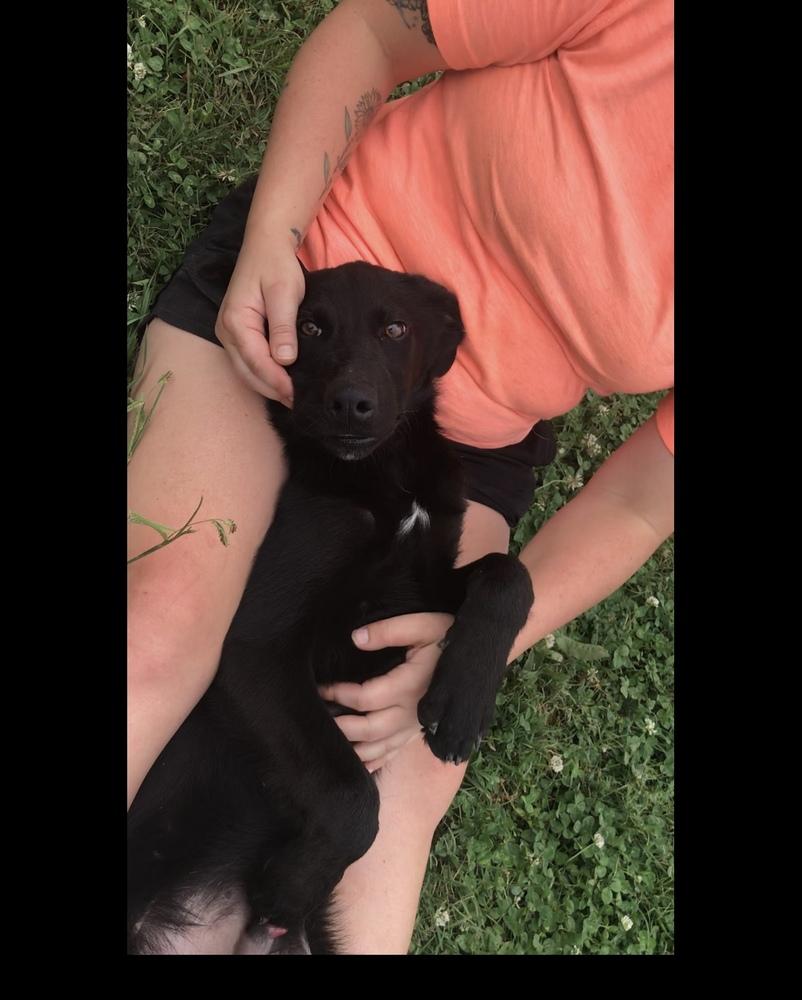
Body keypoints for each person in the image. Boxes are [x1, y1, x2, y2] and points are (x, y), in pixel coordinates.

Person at [128, 0, 674, 954]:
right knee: (164, 620)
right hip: (302, 304)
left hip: (470, 444)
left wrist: (488, 632)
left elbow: (641, 500)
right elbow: (375, 33)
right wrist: (270, 242)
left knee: (410, 774)